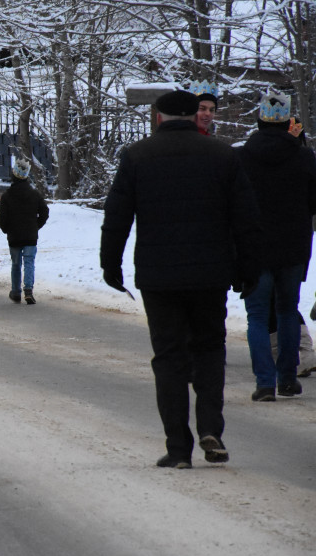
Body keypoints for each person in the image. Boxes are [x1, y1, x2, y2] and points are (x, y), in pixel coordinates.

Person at [100, 89, 261, 469]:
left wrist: (111, 265)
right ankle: (211, 427)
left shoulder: (137, 156)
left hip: (159, 277)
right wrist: (248, 270)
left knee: (169, 358)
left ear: (159, 116)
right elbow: (247, 219)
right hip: (210, 273)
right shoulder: (223, 156)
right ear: (195, 116)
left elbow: (117, 217)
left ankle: (177, 448)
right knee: (209, 349)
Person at [236, 91, 316, 402]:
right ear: (288, 123)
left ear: (258, 121)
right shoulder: (304, 158)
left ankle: (264, 383)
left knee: (256, 316)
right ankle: (287, 378)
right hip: (293, 247)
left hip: (254, 247)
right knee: (286, 310)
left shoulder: (241, 157)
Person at [0, 158, 49, 305]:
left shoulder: (7, 196)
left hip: (14, 236)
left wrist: (6, 229)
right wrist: (36, 226)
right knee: (29, 262)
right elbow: (45, 211)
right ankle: (28, 290)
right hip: (30, 236)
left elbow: (2, 217)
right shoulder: (35, 194)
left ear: (13, 175)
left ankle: (15, 292)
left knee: (15, 264)